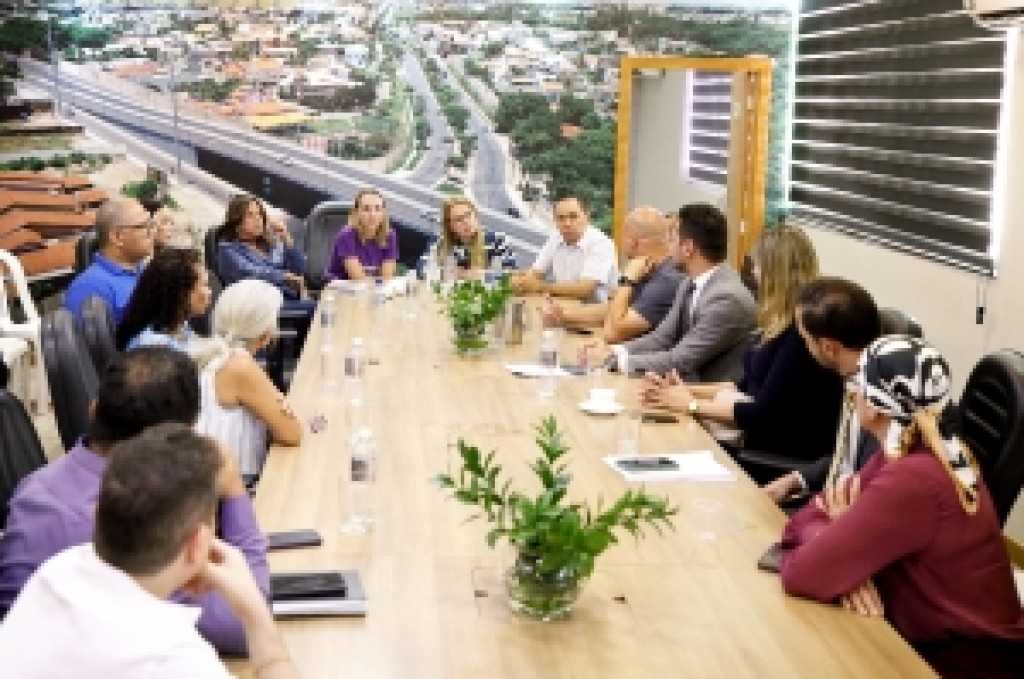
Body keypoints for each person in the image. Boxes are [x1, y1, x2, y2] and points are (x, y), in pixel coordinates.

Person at [778, 337, 1024, 678]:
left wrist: (840, 551)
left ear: (875, 405)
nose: (852, 394)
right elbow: (804, 518)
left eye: (857, 385)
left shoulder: (912, 478)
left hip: (952, 663)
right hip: (923, 637)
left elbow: (800, 575)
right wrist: (840, 551)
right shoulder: (911, 449)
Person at [0, 348, 268, 656]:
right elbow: (245, 628)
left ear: (93, 410)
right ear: (184, 435)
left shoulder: (32, 487)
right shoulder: (138, 514)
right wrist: (233, 490)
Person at [0, 423, 297, 678]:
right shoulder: (172, 658)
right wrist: (257, 618)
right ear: (198, 545)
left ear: (97, 514)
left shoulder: (54, 572)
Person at [639, 225, 844, 464]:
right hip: (754, 442)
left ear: (774, 273)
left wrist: (691, 404)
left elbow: (762, 414)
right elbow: (742, 386)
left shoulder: (800, 335)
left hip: (771, 456)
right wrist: (679, 390)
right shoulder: (778, 323)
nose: (753, 272)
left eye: (757, 265)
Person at [586, 203, 755, 382]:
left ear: (688, 248)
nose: (667, 248)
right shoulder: (689, 282)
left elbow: (682, 360)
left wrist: (613, 360)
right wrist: (613, 350)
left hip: (707, 393)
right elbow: (661, 339)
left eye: (672, 240)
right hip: (680, 387)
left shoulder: (727, 298)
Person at [761, 277, 882, 501]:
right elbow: (846, 459)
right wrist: (796, 479)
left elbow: (867, 476)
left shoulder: (883, 400)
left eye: (806, 340)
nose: (805, 347)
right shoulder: (853, 377)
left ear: (829, 348)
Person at [189, 279, 302, 483]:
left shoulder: (212, 352)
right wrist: (278, 402)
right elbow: (291, 434)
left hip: (211, 480)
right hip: (235, 486)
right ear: (266, 334)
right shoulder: (239, 365)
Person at [541, 205, 681, 343]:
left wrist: (627, 281)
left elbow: (612, 333)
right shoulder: (646, 267)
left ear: (633, 242)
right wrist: (562, 314)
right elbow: (613, 310)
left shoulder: (666, 280)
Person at [510, 193, 616, 303]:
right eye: (561, 218)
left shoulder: (601, 243)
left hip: (595, 308)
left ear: (587, 217)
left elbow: (584, 289)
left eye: (573, 217)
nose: (567, 223)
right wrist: (522, 281)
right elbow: (536, 272)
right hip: (563, 303)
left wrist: (540, 286)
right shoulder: (556, 237)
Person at [63, 196, 154, 324]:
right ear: (117, 236)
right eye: (144, 226)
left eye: (151, 225)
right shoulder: (90, 289)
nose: (152, 233)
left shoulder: (142, 271)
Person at [115, 247, 212, 352]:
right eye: (205, 285)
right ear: (182, 293)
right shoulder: (152, 345)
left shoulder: (178, 324)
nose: (210, 292)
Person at [215, 194, 307, 301]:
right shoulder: (227, 249)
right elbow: (250, 273)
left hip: (288, 299)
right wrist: (284, 277)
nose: (258, 219)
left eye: (259, 214)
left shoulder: (271, 242)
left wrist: (287, 239)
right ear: (236, 223)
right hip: (258, 305)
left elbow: (300, 270)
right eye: (250, 215)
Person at [324, 188, 399, 282]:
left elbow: (386, 279)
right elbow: (359, 280)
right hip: (341, 287)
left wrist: (381, 285)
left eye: (377, 209)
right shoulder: (346, 236)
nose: (372, 215)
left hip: (372, 288)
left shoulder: (390, 236)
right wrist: (379, 285)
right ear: (356, 213)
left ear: (383, 213)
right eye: (366, 209)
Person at [436, 196, 516, 277]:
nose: (466, 221)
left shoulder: (497, 241)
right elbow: (434, 269)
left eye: (468, 215)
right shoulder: (445, 245)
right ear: (450, 226)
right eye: (458, 219)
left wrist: (479, 274)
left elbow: (510, 275)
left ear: (475, 215)